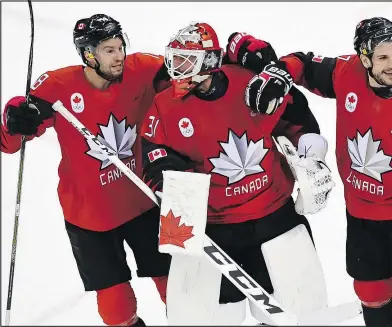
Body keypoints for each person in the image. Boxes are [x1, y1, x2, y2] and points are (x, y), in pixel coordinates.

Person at [240, 17, 392, 327]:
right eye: (383, 57)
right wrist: (280, 72)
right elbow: (303, 64)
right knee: (371, 293)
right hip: (362, 213)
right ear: (364, 57)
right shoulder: (346, 74)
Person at [139, 22, 334, 325]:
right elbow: (153, 155)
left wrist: (310, 157)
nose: (176, 68)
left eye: (186, 60)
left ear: (208, 62)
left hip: (274, 218)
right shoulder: (165, 105)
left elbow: (297, 120)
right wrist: (170, 182)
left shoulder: (251, 84)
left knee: (296, 307)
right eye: (174, 58)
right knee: (209, 317)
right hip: (214, 228)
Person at [1, 14, 175, 326]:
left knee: (177, 289)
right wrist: (13, 117)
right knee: (115, 309)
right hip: (89, 216)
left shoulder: (145, 70)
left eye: (120, 47)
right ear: (88, 54)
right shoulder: (58, 87)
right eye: (109, 50)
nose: (119, 55)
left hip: (144, 201)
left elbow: (191, 78)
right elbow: (10, 144)